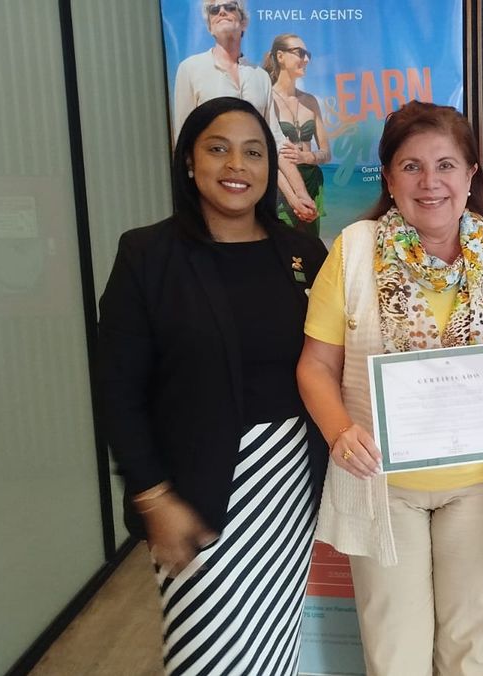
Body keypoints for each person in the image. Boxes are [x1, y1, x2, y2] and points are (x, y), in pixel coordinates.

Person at [296, 100, 483, 676]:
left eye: (446, 165)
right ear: (389, 178)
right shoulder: (354, 251)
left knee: (472, 653)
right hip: (384, 486)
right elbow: (315, 364)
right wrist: (339, 432)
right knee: (395, 655)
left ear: (471, 175)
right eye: (411, 166)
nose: (430, 181)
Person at [98, 97, 329, 675]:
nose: (237, 165)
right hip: (196, 488)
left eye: (254, 153)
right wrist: (152, 496)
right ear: (188, 162)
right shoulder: (148, 254)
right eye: (217, 148)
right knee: (207, 654)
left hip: (289, 485)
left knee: (275, 649)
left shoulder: (301, 253)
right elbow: (117, 388)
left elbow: (334, 360)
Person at [172, 0, 317, 225]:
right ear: (209, 25)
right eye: (214, 10)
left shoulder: (259, 77)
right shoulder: (190, 69)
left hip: (255, 194)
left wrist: (299, 196)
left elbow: (274, 144)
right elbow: (182, 141)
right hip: (210, 195)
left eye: (229, 7)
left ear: (244, 21)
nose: (221, 12)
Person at [263, 34, 331, 236]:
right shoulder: (267, 100)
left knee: (309, 248)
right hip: (280, 187)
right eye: (300, 53)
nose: (307, 59)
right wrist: (293, 197)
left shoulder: (310, 101)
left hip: (312, 182)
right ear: (280, 56)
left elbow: (327, 153)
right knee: (286, 248)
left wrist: (307, 157)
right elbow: (269, 157)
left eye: (308, 54)